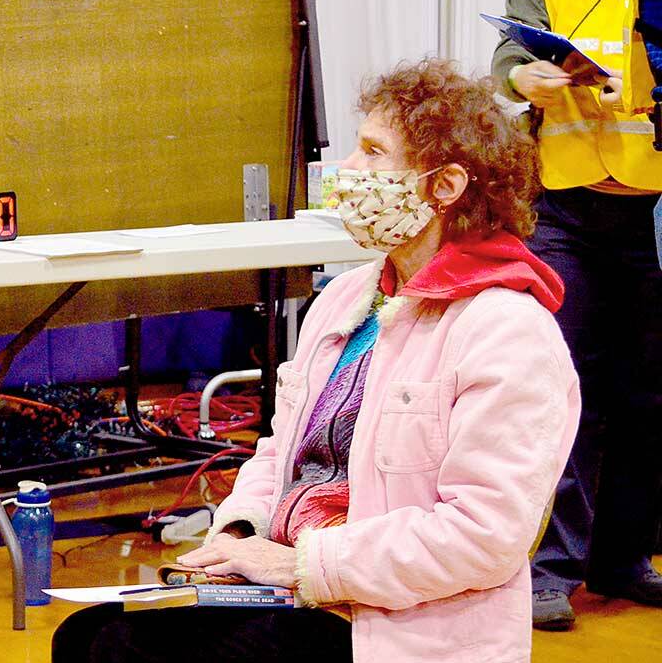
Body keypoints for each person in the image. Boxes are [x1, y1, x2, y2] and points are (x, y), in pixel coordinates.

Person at [52, 60, 578, 663]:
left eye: (373, 152)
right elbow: (280, 452)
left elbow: (483, 537)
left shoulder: (507, 329)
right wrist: (240, 533)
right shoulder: (346, 298)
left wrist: (300, 564)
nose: (348, 170)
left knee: (131, 652)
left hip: (395, 621)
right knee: (87, 635)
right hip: (297, 588)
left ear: (445, 186)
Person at [491, 0, 662, 630]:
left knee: (646, 391)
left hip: (649, 215)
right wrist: (519, 74)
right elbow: (509, 47)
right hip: (564, 211)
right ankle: (551, 568)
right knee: (566, 386)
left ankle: (623, 557)